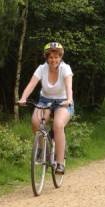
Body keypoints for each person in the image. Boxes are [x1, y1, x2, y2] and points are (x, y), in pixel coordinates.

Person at [18, 42, 74, 174]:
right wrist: (23, 98)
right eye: (50, 57)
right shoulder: (41, 68)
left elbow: (68, 87)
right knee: (36, 122)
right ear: (46, 58)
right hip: (45, 101)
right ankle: (43, 150)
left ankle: (60, 163)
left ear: (60, 57)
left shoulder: (65, 68)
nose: (53, 60)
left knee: (58, 125)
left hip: (63, 101)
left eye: (56, 57)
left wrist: (69, 99)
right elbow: (32, 84)